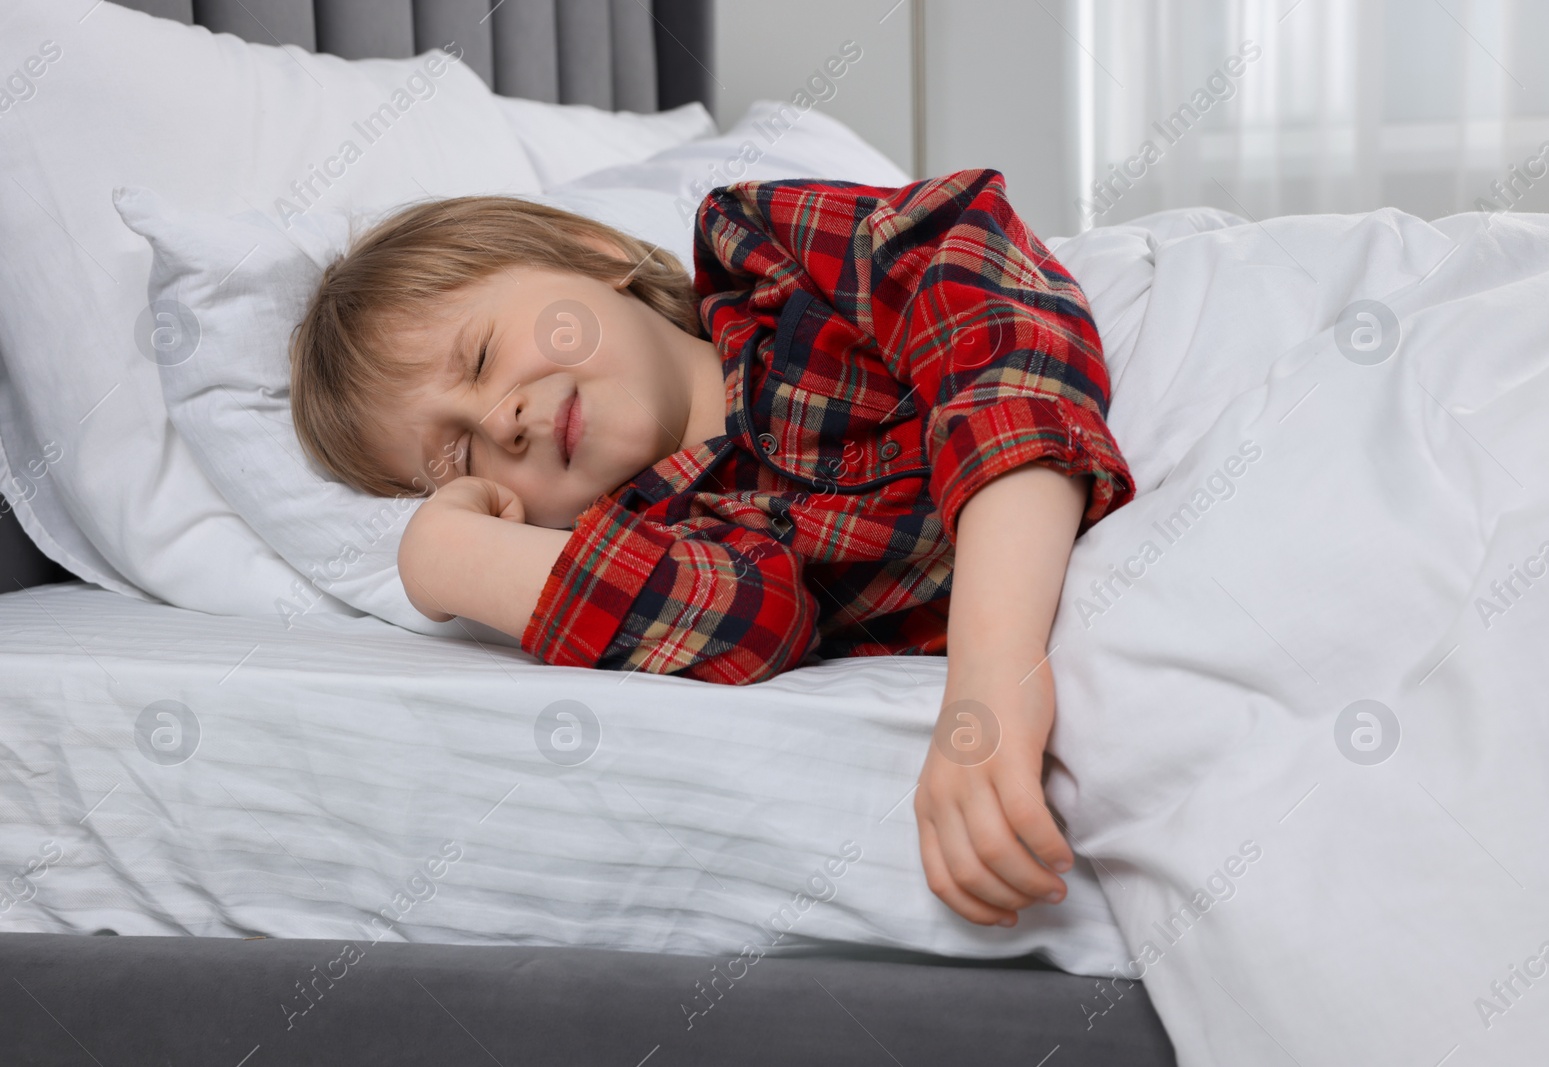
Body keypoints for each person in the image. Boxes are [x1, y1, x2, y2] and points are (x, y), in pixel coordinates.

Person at [288, 167, 1136, 928]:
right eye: (458, 458)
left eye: (479, 356)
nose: (500, 421)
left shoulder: (771, 252)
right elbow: (752, 622)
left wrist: (992, 675)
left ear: (595, 253)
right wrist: (447, 557)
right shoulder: (661, 537)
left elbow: (993, 332)